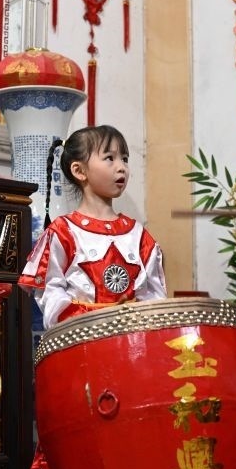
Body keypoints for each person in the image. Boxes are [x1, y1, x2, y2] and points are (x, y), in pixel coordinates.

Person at [19, 124, 167, 329]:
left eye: (124, 159)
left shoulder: (138, 235)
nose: (122, 167)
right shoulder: (63, 232)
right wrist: (87, 321)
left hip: (133, 338)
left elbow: (154, 295)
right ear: (79, 171)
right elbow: (51, 292)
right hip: (82, 338)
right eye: (110, 158)